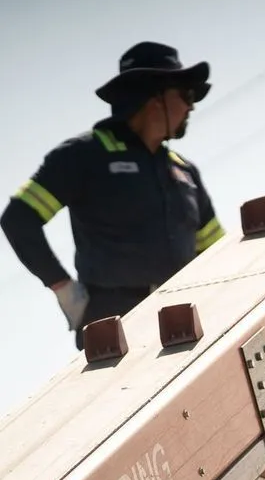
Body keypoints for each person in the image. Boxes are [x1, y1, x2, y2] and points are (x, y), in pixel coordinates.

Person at [1, 41, 226, 350]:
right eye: (186, 95)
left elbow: (217, 251)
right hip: (112, 326)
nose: (192, 107)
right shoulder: (83, 156)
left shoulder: (185, 172)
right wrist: (64, 289)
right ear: (154, 97)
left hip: (186, 323)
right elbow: (19, 218)